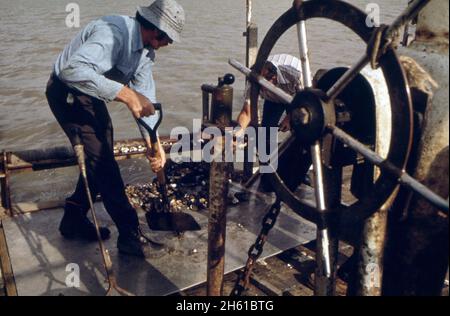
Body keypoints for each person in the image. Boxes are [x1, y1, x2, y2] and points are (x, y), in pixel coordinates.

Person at [45, 0, 185, 258]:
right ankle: (129, 234)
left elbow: (145, 99)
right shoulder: (113, 32)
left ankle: (73, 216)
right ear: (156, 32)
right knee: (104, 164)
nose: (169, 45)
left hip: (92, 96)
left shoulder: (144, 53)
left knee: (100, 155)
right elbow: (71, 71)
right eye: (169, 39)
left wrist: (154, 146)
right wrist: (126, 94)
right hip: (67, 93)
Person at [236, 54, 311, 191]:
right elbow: (247, 112)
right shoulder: (253, 80)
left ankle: (301, 174)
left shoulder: (295, 74)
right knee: (265, 134)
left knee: (301, 134)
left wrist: (289, 117)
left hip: (296, 99)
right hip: (273, 101)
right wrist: (236, 134)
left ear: (274, 78)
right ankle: (268, 173)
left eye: (263, 87)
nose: (260, 90)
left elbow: (307, 102)